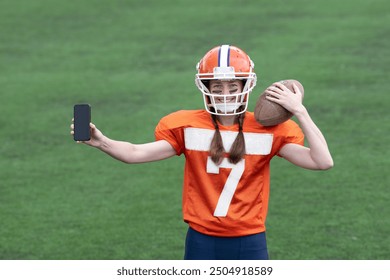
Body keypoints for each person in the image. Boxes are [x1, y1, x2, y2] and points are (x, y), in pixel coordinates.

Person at [70, 45, 333, 260]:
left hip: (250, 239)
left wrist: (300, 111)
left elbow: (322, 161)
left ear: (245, 87)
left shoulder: (270, 131)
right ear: (205, 89)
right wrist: (102, 142)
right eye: (217, 87)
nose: (225, 94)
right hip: (202, 239)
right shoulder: (188, 126)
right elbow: (135, 153)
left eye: (232, 87)